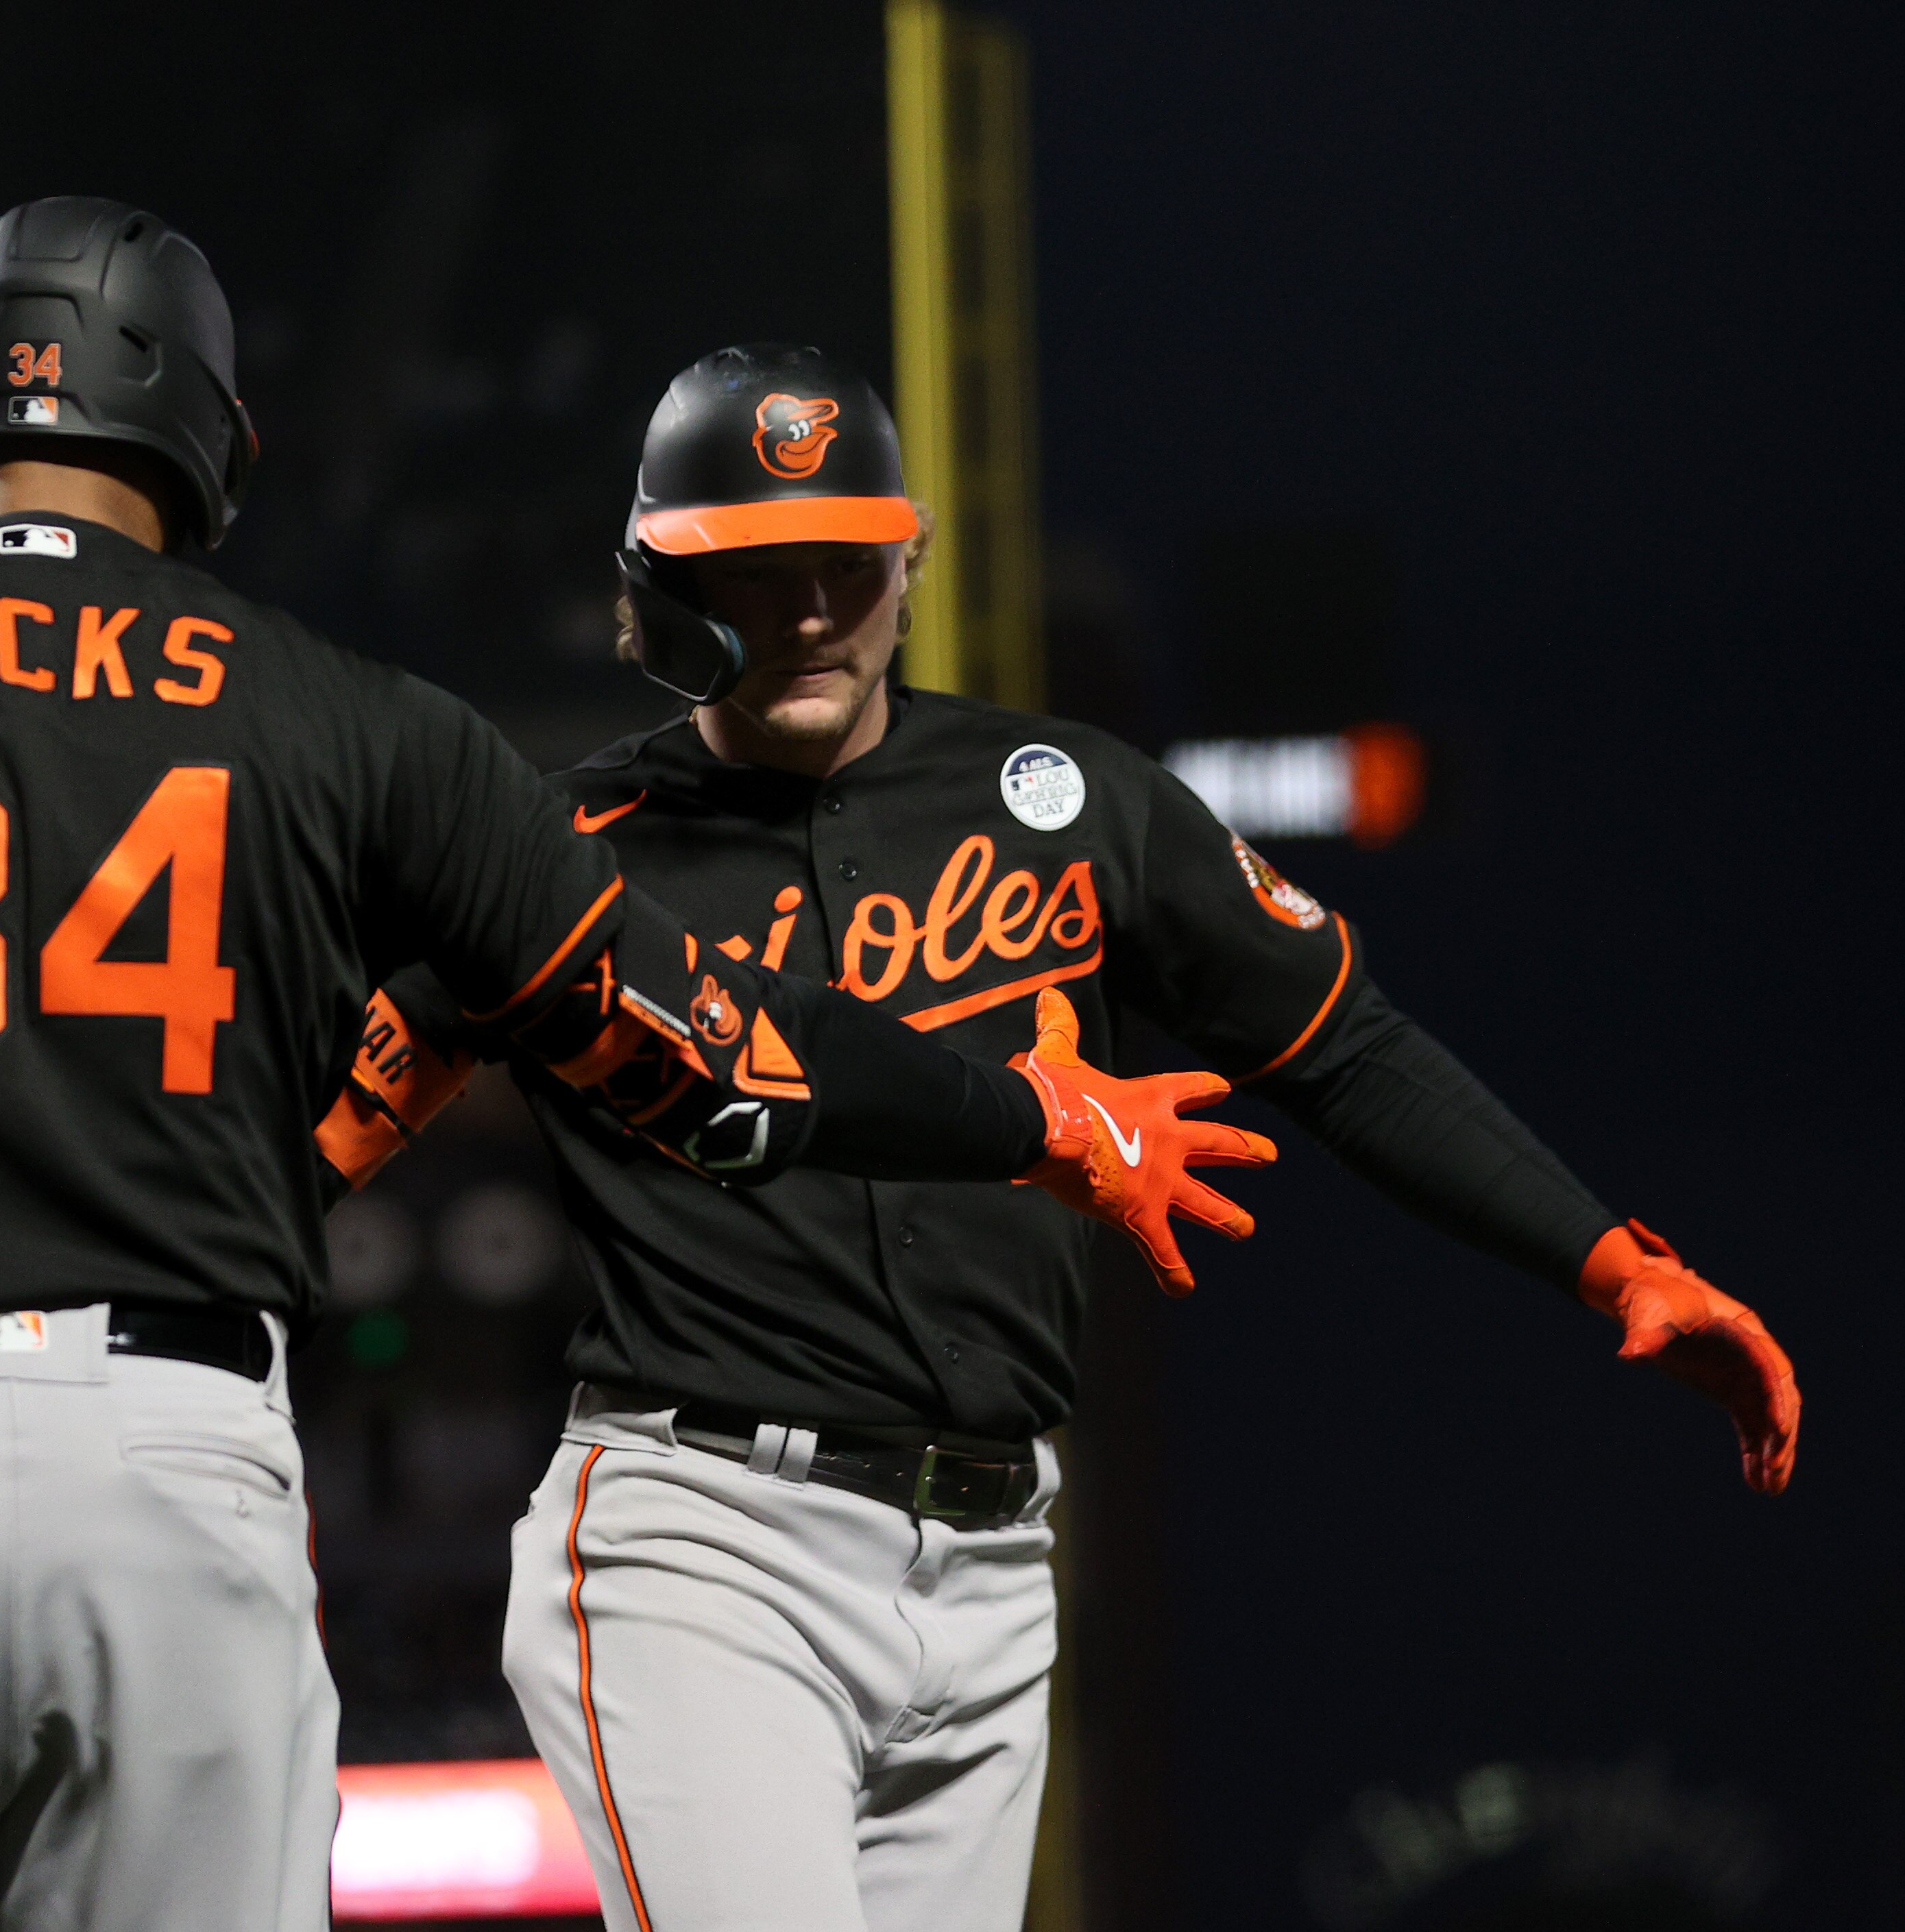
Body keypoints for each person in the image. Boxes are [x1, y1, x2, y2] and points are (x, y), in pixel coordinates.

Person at [0, 204, 1273, 1932]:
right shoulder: (346, 715)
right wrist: (1031, 1105)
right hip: (182, 1470)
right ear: (210, 443)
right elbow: (712, 1047)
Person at [319, 343, 1802, 1932]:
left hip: (994, 1560)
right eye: (759, 567)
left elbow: (1348, 1048)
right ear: (668, 586)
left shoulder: (1068, 798)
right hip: (705, 1536)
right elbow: (310, 1128)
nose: (813, 606)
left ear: (910, 558)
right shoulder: (563, 854)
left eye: (846, 558)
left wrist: (1606, 1257)